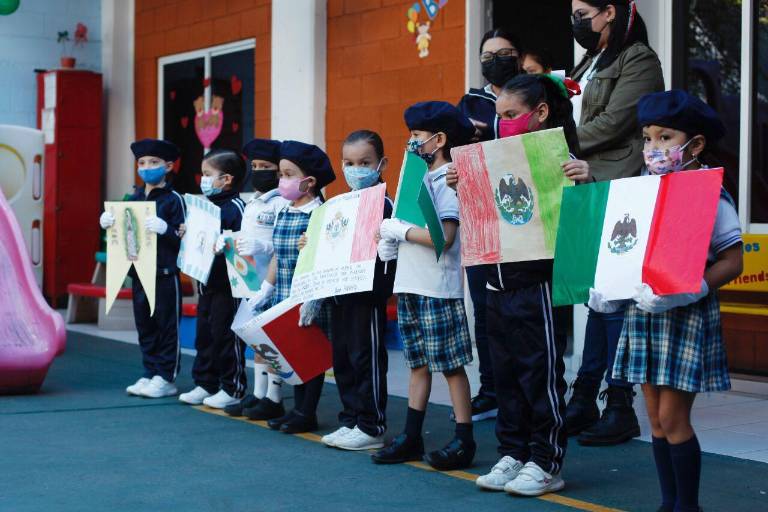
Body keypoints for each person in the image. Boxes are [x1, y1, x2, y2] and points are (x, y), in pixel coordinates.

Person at [448, 74, 589, 496]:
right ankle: (513, 452)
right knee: (505, 373)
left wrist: (585, 179)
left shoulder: (562, 158)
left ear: (540, 113)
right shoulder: (491, 156)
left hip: (536, 283)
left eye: (511, 115)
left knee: (540, 373)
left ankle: (546, 461)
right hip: (495, 279)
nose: (502, 122)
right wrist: (462, 184)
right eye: (499, 115)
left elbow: (579, 222)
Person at [605, 89, 742, 512]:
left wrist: (695, 288)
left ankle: (687, 507)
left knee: (673, 419)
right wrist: (609, 287)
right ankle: (669, 504)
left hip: (685, 315)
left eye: (665, 138)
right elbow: (622, 247)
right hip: (644, 313)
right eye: (648, 138)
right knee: (655, 421)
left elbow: (733, 260)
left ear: (694, 144)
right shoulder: (642, 191)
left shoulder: (711, 192)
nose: (653, 148)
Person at [566, 0, 665, 447]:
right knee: (597, 294)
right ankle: (586, 396)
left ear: (610, 12)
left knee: (618, 294)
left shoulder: (638, 59)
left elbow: (615, 122)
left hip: (617, 183)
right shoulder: (589, 61)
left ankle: (620, 403)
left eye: (583, 11)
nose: (577, 20)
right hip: (584, 185)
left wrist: (554, 140)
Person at [371, 101, 476, 471]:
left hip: (437, 287)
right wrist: (391, 241)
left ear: (439, 139)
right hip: (412, 284)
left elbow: (444, 237)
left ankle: (465, 438)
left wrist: (400, 231)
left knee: (450, 366)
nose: (411, 143)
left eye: (416, 136)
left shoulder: (449, 178)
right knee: (417, 363)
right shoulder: (417, 177)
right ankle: (412, 435)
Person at [455, 27, 523, 422]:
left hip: (524, 214)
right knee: (485, 308)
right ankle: (491, 388)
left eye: (506, 51)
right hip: (482, 215)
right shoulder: (470, 102)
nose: (496, 59)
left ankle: (534, 387)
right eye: (488, 54)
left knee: (528, 308)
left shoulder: (536, 94)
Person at [245, 140, 336, 434]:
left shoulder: (319, 214)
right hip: (283, 294)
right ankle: (294, 408)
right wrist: (267, 288)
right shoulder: (285, 211)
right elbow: (277, 256)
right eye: (281, 174)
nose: (281, 180)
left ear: (308, 182)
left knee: (310, 356)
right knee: (292, 353)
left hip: (309, 298)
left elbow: (325, 257)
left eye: (287, 174)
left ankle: (306, 411)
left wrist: (313, 298)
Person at [313, 130, 395, 451]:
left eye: (365, 162)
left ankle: (371, 424)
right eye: (349, 162)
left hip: (368, 294)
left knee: (366, 357)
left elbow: (389, 244)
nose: (355, 169)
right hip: (340, 291)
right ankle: (351, 419)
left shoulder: (385, 203)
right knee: (343, 357)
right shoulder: (338, 203)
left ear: (381, 164)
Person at [99, 139, 186, 398]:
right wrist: (107, 224)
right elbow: (123, 235)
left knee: (167, 326)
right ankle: (150, 372)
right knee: (145, 326)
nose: (147, 167)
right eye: (142, 163)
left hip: (165, 274)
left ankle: (166, 376)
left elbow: (186, 239)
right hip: (138, 271)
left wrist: (166, 229)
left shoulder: (174, 200)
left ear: (168, 166)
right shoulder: (133, 198)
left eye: (154, 163)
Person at [223, 138, 290, 419]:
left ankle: (274, 397)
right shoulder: (253, 203)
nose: (259, 171)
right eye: (255, 166)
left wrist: (263, 247)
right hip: (250, 280)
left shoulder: (281, 203)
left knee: (273, 341)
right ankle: (259, 393)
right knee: (257, 340)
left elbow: (285, 242)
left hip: (273, 281)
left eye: (267, 166)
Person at [178, 149, 247, 409]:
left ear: (226, 179)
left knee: (225, 335)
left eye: (208, 174)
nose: (203, 179)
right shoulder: (205, 208)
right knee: (204, 335)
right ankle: (205, 382)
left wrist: (227, 242)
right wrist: (187, 232)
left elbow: (243, 245)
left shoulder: (237, 208)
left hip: (228, 287)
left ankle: (233, 387)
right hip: (205, 284)